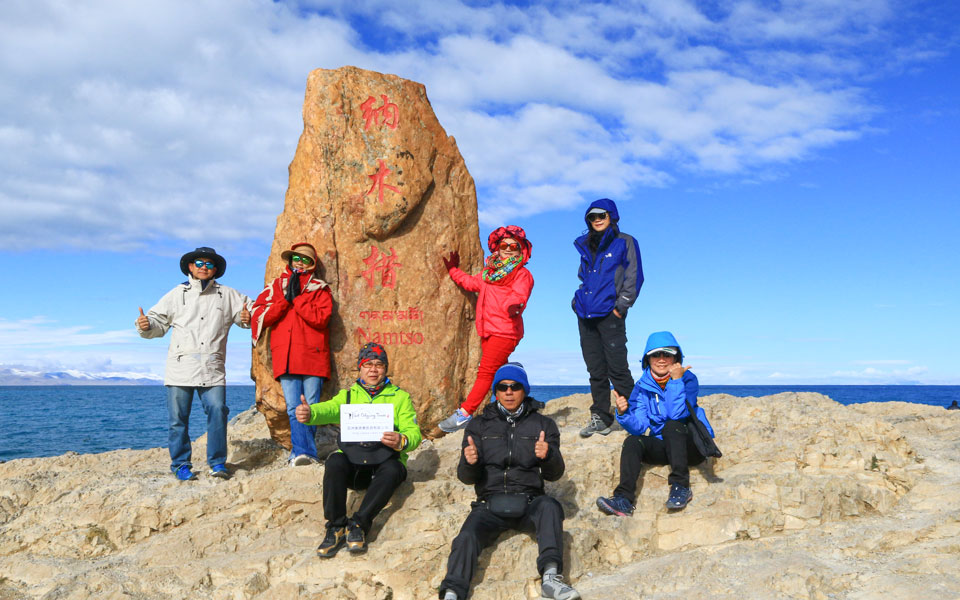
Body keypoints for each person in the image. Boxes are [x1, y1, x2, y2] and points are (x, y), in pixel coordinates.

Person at [439, 363, 580, 600]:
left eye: (515, 387)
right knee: (466, 537)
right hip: (489, 502)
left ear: (525, 390)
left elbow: (554, 474)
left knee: (550, 507)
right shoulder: (478, 425)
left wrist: (548, 455)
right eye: (502, 387)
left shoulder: (544, 425)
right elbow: (466, 477)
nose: (509, 392)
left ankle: (551, 579)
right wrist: (469, 462)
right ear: (496, 391)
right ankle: (452, 593)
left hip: (530, 501)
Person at [295, 342, 422, 557]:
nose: (373, 370)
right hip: (355, 466)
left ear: (385, 369)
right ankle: (336, 526)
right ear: (360, 368)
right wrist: (310, 413)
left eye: (379, 365)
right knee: (335, 461)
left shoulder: (400, 397)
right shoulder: (348, 396)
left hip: (383, 466)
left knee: (394, 469)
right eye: (368, 364)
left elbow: (413, 431)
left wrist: (402, 440)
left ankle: (359, 525)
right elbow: (328, 409)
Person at [136, 247, 251, 481]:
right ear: (190, 266)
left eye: (209, 264)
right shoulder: (176, 294)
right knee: (178, 419)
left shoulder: (228, 295)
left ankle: (217, 463)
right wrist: (145, 325)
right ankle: (180, 464)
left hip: (212, 367)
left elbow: (250, 312)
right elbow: (157, 321)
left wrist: (247, 318)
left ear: (215, 269)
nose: (203, 267)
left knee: (218, 411)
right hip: (180, 367)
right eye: (199, 263)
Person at [596, 331, 715, 515]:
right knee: (633, 441)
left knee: (672, 425)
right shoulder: (642, 386)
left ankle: (681, 486)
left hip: (691, 447)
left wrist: (676, 381)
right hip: (665, 447)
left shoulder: (688, 379)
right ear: (647, 359)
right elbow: (640, 427)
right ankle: (623, 500)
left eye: (667, 354)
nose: (661, 359)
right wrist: (624, 413)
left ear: (676, 358)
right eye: (655, 355)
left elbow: (677, 414)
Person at [437, 226, 534, 433]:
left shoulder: (522, 274)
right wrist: (453, 270)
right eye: (504, 245)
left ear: (521, 250)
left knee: (486, 373)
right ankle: (515, 409)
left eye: (514, 246)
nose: (508, 249)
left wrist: (514, 306)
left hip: (505, 331)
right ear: (497, 248)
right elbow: (470, 283)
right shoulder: (489, 274)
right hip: (488, 330)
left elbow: (520, 295)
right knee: (501, 374)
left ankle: (464, 414)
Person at [251, 242, 333, 466]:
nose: (300, 263)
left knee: (311, 406)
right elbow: (260, 315)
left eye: (306, 260)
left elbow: (321, 318)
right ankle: (303, 452)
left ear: (312, 264)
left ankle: (302, 453)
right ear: (290, 261)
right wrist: (283, 301)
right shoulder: (276, 287)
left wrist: (297, 300)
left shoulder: (320, 288)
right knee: (292, 407)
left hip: (313, 356)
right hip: (285, 356)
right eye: (297, 258)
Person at [573, 198, 643, 438]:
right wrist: (576, 302)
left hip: (610, 314)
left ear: (611, 215)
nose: (597, 220)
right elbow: (584, 278)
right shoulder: (587, 245)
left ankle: (633, 416)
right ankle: (601, 418)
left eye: (601, 215)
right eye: (592, 217)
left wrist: (621, 306)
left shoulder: (625, 242)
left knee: (618, 368)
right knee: (595, 370)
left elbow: (634, 276)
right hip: (586, 314)